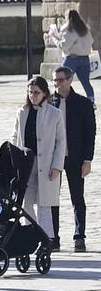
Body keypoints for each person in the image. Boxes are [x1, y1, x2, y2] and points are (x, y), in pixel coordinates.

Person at [11, 76, 66, 238]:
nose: (33, 96)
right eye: (30, 92)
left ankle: (47, 237)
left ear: (44, 93)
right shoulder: (22, 112)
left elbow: (60, 142)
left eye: (36, 92)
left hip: (46, 163)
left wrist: (57, 166)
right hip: (26, 163)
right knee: (26, 201)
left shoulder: (55, 114)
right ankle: (31, 235)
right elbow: (15, 137)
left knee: (44, 204)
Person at [50, 65, 95, 252]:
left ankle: (79, 236)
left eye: (60, 80)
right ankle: (53, 237)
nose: (56, 84)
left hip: (75, 158)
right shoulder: (48, 103)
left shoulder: (83, 104)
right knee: (52, 199)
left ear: (69, 80)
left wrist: (87, 159)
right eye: (54, 80)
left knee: (78, 198)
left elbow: (90, 133)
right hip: (54, 159)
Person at [45, 9, 94, 100]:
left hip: (72, 59)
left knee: (60, 79)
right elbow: (91, 41)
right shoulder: (85, 29)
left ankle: (56, 99)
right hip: (85, 58)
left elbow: (63, 46)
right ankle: (91, 100)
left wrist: (54, 37)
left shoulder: (70, 30)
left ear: (68, 18)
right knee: (86, 82)